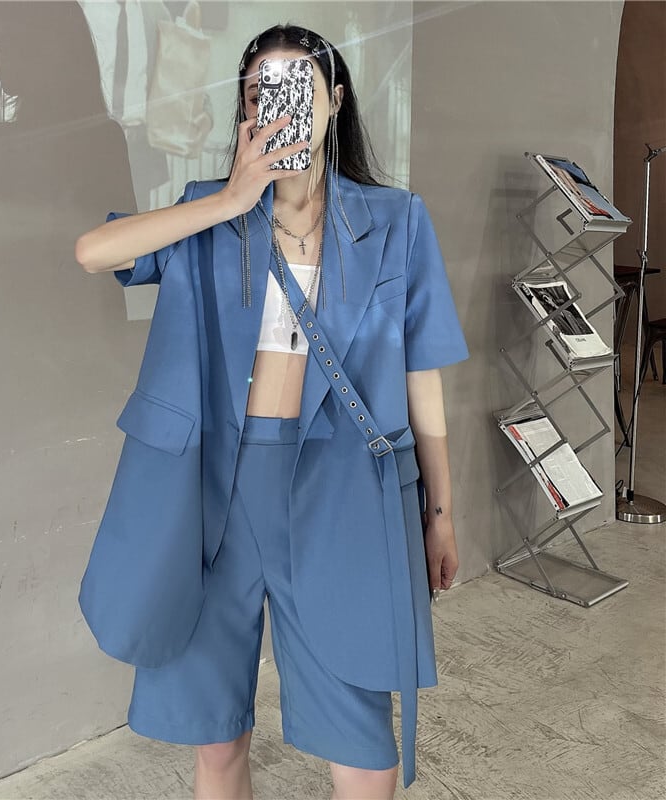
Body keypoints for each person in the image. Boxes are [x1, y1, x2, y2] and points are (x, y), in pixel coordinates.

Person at [75, 24, 469, 800]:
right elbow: (94, 251)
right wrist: (231, 197)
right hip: (211, 496)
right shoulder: (207, 211)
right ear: (244, 109)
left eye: (297, 88)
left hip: (341, 491)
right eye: (261, 91)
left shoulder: (396, 221)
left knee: (365, 751)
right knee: (215, 737)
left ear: (335, 101)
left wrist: (441, 513)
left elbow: (422, 375)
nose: (279, 106)